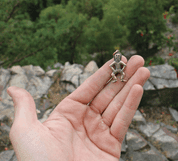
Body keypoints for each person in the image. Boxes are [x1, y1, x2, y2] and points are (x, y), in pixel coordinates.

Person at [7, 55, 150, 161]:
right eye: (117, 57)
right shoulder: (115, 65)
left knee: (131, 90)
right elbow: (115, 68)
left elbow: (121, 68)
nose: (118, 57)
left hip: (120, 74)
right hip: (116, 74)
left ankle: (121, 79)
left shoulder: (120, 65)